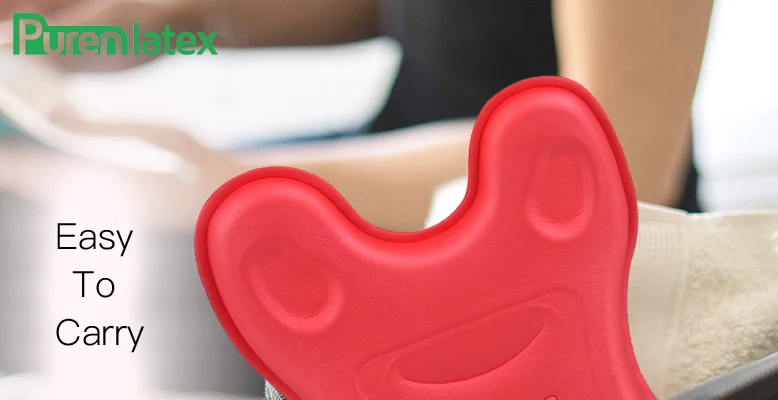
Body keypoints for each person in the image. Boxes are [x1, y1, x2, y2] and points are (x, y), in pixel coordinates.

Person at [0, 0, 715, 230]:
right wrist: (157, 21)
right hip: (398, 163)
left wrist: (228, 185)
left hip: (549, 261)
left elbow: (613, 165)